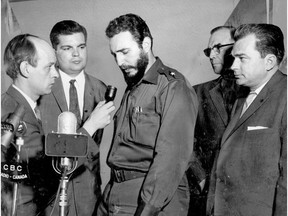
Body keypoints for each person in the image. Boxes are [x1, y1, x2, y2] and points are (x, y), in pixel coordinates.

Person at [97, 13, 198, 216]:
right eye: (114, 54)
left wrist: (148, 209)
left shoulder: (172, 86)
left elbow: (171, 157)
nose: (119, 62)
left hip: (149, 199)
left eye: (125, 52)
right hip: (116, 193)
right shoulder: (134, 85)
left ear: (146, 44)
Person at [206, 23, 286, 216]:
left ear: (269, 61)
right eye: (234, 58)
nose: (233, 66)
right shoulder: (243, 97)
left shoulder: (285, 96)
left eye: (242, 58)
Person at [38, 20, 115, 216]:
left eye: (81, 46)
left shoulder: (100, 89)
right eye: (67, 48)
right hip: (51, 199)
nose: (76, 54)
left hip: (89, 199)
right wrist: (90, 125)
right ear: (54, 51)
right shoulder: (41, 90)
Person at [187, 26, 248, 216]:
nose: (211, 56)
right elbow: (183, 140)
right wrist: (202, 179)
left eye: (217, 48)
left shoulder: (255, 92)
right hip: (206, 199)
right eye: (208, 51)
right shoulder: (197, 93)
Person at [1, 34, 59, 216]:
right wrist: (89, 128)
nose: (55, 74)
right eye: (49, 67)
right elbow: (42, 176)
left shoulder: (24, 106)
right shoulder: (12, 113)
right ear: (26, 69)